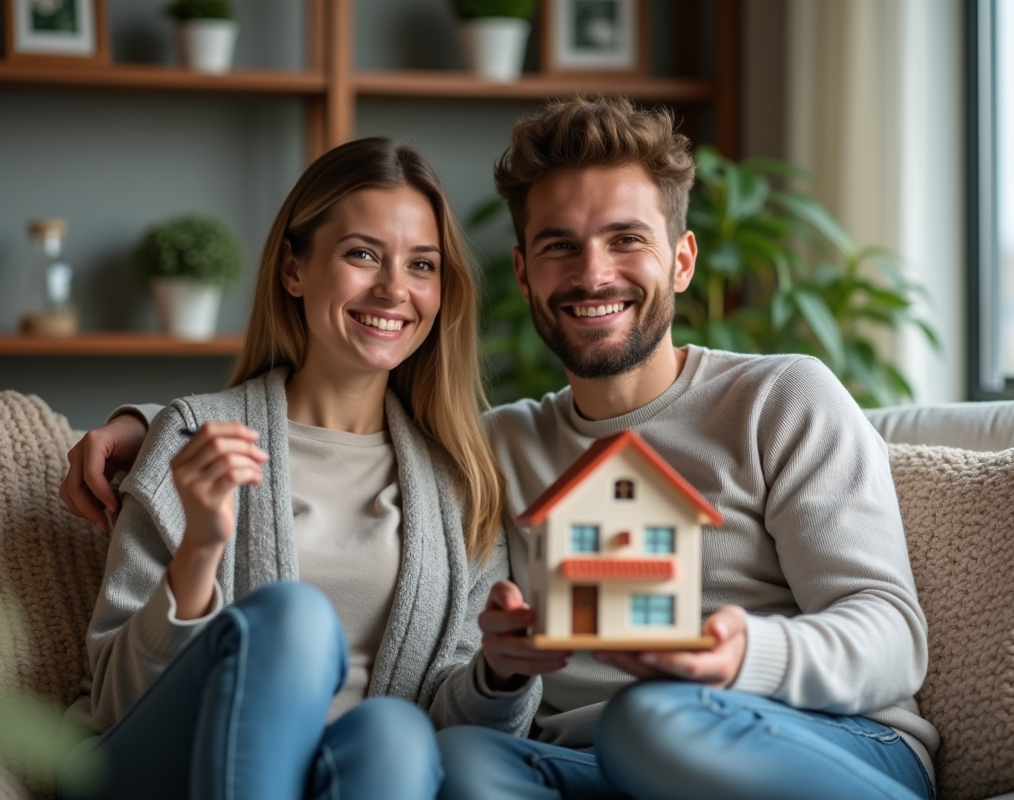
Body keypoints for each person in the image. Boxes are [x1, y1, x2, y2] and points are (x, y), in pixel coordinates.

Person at [62, 99, 939, 800]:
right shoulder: (491, 450)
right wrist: (156, 426)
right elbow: (321, 419)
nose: (592, 274)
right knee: (473, 766)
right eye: (560, 246)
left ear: (680, 260)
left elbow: (893, 637)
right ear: (523, 274)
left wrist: (736, 654)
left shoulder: (780, 397)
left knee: (644, 723)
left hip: (813, 739)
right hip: (584, 764)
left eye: (625, 240)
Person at [56, 137, 538, 800]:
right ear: (293, 270)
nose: (395, 289)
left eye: (421, 265)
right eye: (362, 254)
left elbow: (455, 727)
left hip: (339, 776)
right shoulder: (194, 437)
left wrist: (501, 676)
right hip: (155, 768)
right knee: (293, 620)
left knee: (398, 734)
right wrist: (199, 551)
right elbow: (115, 699)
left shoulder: (461, 481)